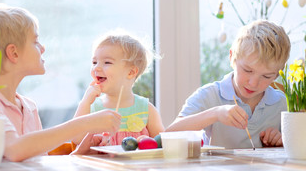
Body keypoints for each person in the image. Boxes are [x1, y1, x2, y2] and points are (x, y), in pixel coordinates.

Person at [0, 4, 121, 161]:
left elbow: (37, 162)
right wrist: (84, 124)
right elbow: (14, 150)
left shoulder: (29, 107)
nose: (43, 48)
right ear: (13, 53)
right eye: (35, 41)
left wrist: (79, 154)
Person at [166, 20, 291, 149]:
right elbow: (168, 135)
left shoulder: (282, 104)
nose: (253, 83)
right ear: (232, 58)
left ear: (277, 74)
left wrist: (280, 142)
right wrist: (216, 114)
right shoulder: (210, 96)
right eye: (247, 70)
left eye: (266, 76)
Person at [73, 30, 164, 145]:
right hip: (101, 163)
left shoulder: (146, 109)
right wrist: (85, 102)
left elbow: (161, 143)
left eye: (107, 62)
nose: (96, 68)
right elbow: (76, 139)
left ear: (131, 72)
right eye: (94, 62)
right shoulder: (92, 108)